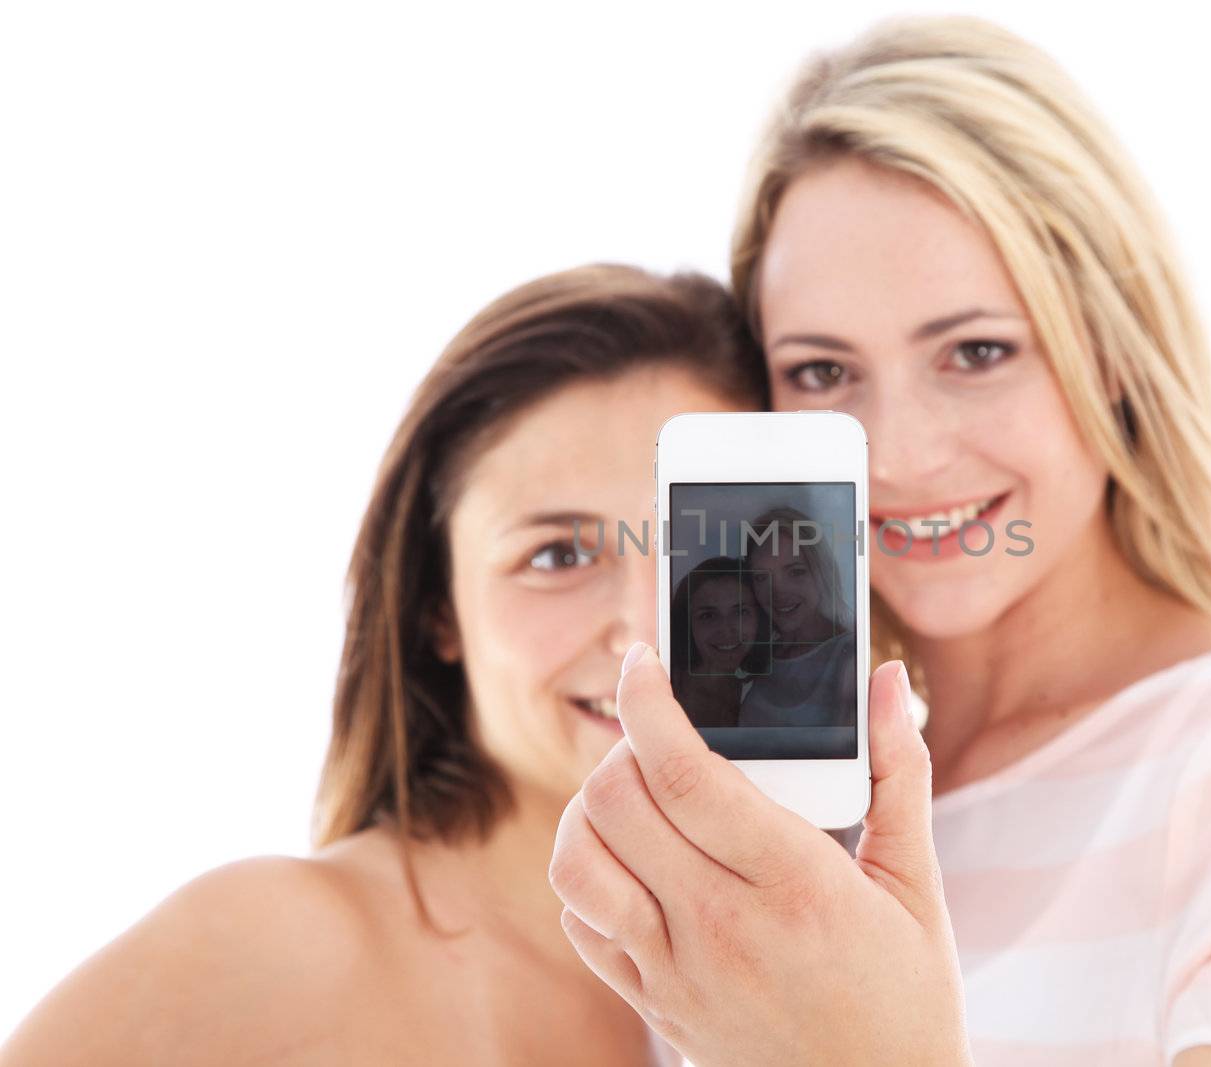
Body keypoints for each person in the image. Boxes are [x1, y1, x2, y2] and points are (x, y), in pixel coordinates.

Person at [547, 16, 1211, 1067]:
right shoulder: (786, 784)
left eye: (975, 350)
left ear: (1110, 349)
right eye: (823, 372)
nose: (899, 456)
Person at [0, 264, 767, 1066]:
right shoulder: (266, 949)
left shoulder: (785, 967)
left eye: (706, 544)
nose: (645, 632)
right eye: (559, 553)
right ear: (438, 606)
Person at [738, 506, 856, 728]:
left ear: (821, 571)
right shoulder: (756, 655)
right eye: (762, 577)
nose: (778, 592)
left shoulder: (851, 655)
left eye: (795, 572)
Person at [669, 555, 771, 728]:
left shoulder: (765, 690)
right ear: (687, 624)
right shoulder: (667, 690)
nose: (726, 630)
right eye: (708, 615)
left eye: (740, 612)